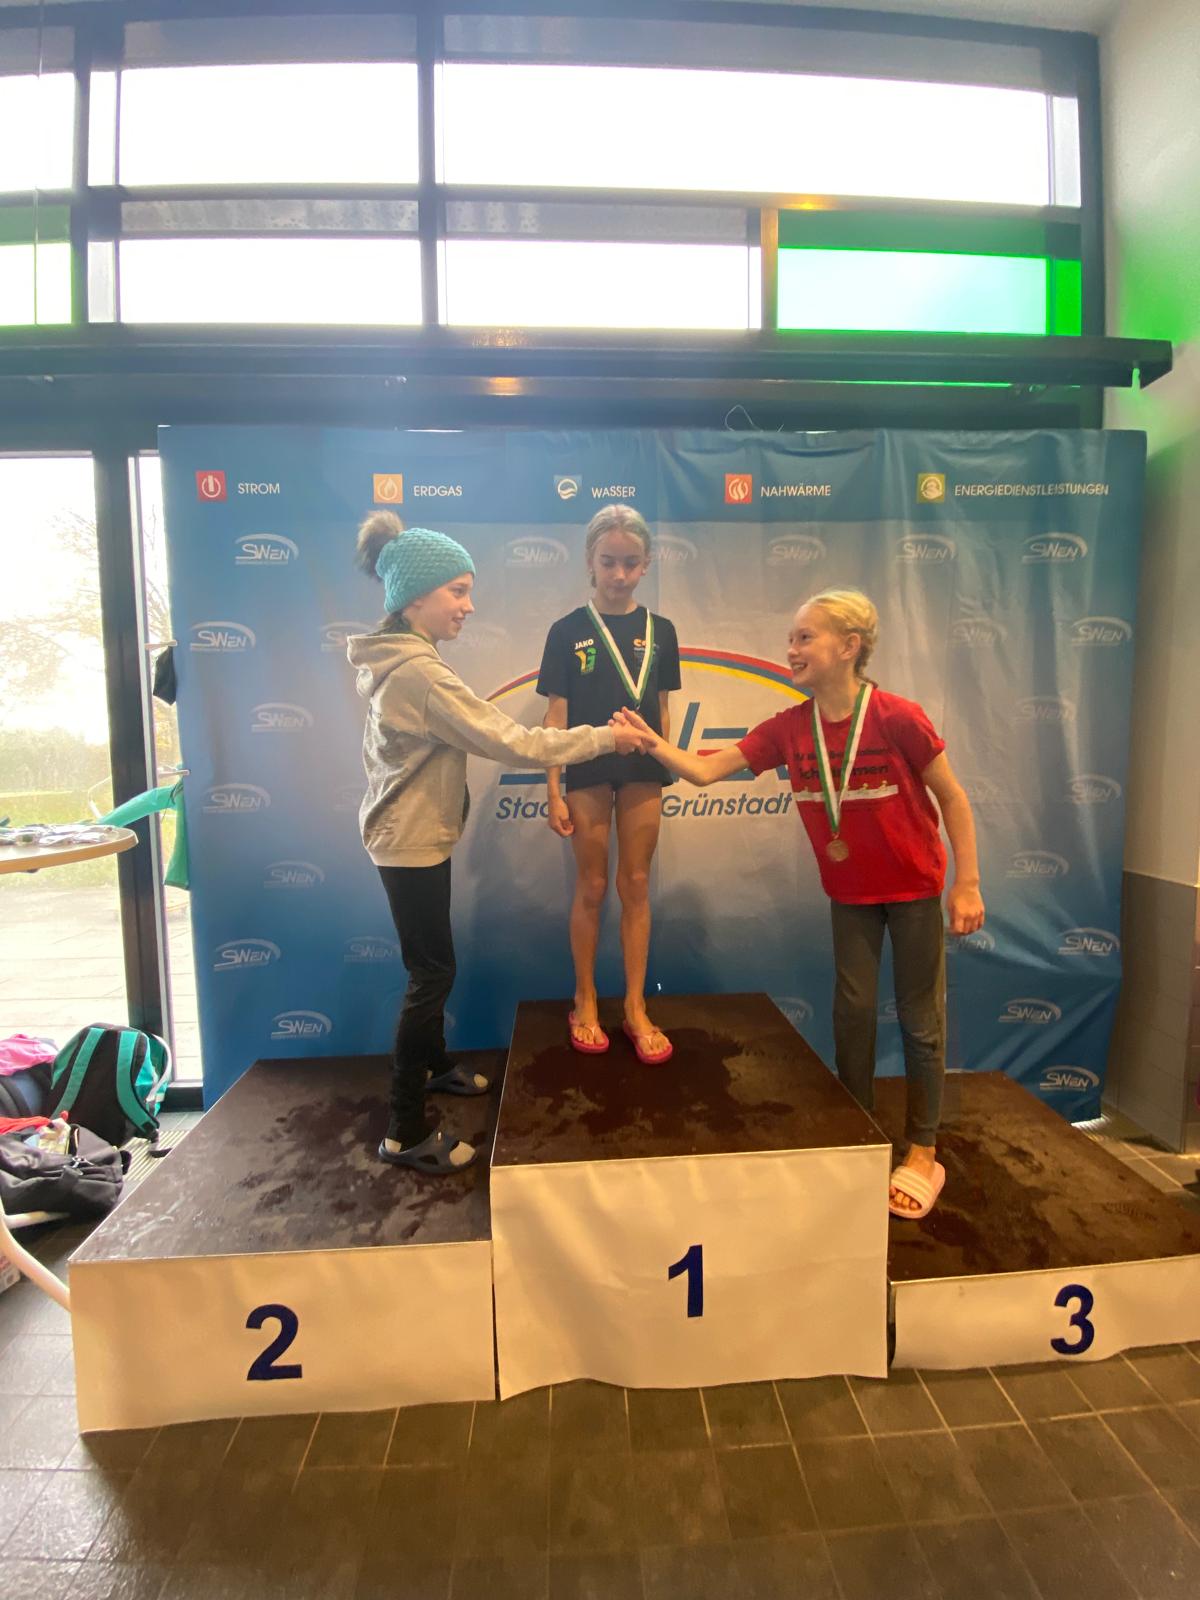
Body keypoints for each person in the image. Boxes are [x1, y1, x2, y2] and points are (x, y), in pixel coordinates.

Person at [615, 588, 985, 1219]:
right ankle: (859, 1132)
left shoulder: (897, 716)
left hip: (914, 890)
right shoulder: (791, 728)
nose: (791, 648)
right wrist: (650, 741)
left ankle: (924, 1151)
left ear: (849, 647)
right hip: (850, 894)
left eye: (805, 637)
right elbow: (705, 771)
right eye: (790, 638)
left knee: (921, 1020)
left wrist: (968, 883)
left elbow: (951, 797)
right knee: (853, 1013)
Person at [348, 512, 644, 1175]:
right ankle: (404, 1129)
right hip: (409, 842)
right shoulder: (420, 675)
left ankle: (433, 1067)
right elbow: (513, 741)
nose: (469, 605)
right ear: (414, 598)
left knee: (432, 967)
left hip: (413, 837)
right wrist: (604, 737)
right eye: (457, 591)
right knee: (431, 975)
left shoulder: (409, 660)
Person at [537, 505, 681, 1064]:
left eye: (630, 563)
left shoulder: (662, 631)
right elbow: (555, 717)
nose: (619, 574)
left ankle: (636, 1006)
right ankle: (586, 997)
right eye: (608, 562)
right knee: (593, 885)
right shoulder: (567, 630)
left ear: (646, 564)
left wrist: (666, 763)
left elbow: (662, 709)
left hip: (643, 768)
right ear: (590, 563)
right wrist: (553, 789)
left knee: (637, 882)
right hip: (586, 767)